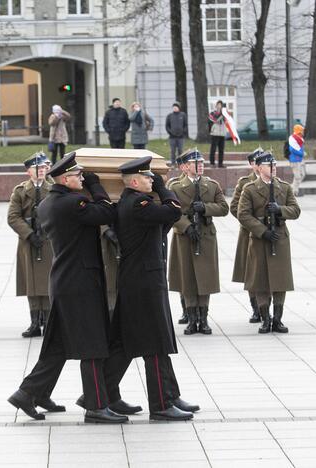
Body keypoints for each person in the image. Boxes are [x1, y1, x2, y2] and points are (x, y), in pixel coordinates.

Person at [7, 152, 132, 424]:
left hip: (64, 281)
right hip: (80, 284)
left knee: (57, 346)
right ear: (66, 178)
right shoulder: (74, 202)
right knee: (93, 345)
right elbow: (107, 212)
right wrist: (97, 185)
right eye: (79, 175)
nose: (83, 178)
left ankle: (28, 393)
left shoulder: (49, 204)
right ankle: (96, 406)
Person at [104, 156, 200, 421]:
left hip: (140, 279)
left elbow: (161, 226)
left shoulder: (132, 203)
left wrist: (158, 189)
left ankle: (103, 392)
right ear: (135, 182)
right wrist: (163, 189)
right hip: (143, 282)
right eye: (148, 177)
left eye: (152, 177)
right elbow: (173, 210)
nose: (152, 179)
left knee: (126, 343)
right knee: (154, 343)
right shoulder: (138, 203)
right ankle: (161, 404)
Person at [238, 152, 301, 334]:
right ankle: (265, 319)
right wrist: (262, 231)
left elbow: (295, 210)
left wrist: (280, 210)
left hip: (279, 238)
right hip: (260, 240)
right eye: (268, 165)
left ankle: (278, 319)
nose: (273, 168)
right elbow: (243, 214)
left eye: (274, 165)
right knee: (261, 280)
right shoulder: (249, 189)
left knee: (280, 280)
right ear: (258, 167)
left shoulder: (284, 187)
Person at [168, 150, 229, 335]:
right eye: (196, 162)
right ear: (185, 167)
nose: (200, 165)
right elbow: (171, 211)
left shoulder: (211, 185)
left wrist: (205, 208)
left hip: (205, 235)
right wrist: (186, 226)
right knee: (187, 278)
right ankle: (191, 318)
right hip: (185, 236)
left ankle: (203, 319)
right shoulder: (175, 187)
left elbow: (224, 208)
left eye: (201, 162)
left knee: (205, 277)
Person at [7, 152, 54, 338]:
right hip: (29, 242)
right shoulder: (20, 191)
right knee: (32, 282)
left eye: (43, 168)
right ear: (29, 171)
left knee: (48, 281)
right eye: (37, 168)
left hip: (48, 240)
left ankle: (49, 322)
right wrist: (28, 233)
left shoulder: (53, 189)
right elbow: (13, 216)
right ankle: (35, 322)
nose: (41, 171)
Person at [231, 149, 262, 323]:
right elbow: (234, 207)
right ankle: (255, 309)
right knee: (251, 272)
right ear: (252, 164)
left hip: (268, 233)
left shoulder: (275, 182)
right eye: (257, 161)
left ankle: (266, 309)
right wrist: (251, 221)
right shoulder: (244, 183)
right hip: (248, 233)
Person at [287, 124, 306, 197]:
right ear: (299, 131)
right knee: (298, 176)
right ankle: (293, 191)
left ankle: (293, 189)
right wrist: (301, 153)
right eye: (302, 130)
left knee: (302, 175)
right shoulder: (293, 138)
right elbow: (292, 149)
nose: (303, 132)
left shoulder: (299, 138)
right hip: (295, 160)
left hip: (299, 160)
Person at [208, 101, 227, 167]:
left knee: (221, 150)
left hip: (222, 134)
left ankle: (220, 163)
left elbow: (226, 121)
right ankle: (212, 163)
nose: (219, 106)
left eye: (220, 105)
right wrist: (221, 114)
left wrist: (224, 113)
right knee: (213, 149)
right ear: (216, 106)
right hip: (215, 133)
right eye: (218, 105)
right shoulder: (212, 113)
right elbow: (214, 120)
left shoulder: (224, 114)